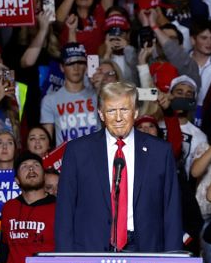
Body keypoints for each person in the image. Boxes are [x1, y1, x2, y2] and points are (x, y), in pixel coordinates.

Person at [54, 81, 182, 253]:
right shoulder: (78, 151)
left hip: (145, 250)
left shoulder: (159, 152)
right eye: (111, 110)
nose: (118, 117)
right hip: (91, 249)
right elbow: (65, 209)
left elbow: (171, 209)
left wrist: (174, 258)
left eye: (124, 109)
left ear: (135, 112)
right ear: (101, 114)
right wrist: (64, 258)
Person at [0, 153, 56, 263]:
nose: (31, 169)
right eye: (24, 167)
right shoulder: (9, 207)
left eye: (36, 165)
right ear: (16, 180)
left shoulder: (60, 207)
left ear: (44, 176)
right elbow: (4, 241)